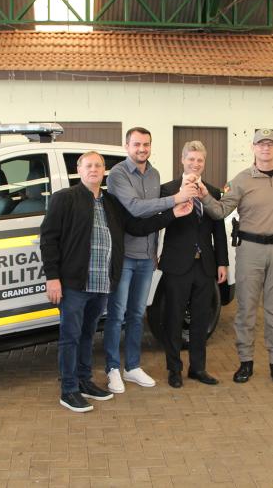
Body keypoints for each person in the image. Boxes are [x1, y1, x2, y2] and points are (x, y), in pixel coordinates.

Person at [40, 151, 192, 413]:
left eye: (98, 165)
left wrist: (172, 214)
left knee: (87, 335)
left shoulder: (110, 202)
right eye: (88, 165)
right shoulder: (64, 199)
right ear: (79, 169)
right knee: (70, 337)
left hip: (101, 284)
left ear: (104, 171)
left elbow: (137, 227)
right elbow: (49, 239)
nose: (93, 169)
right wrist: (53, 278)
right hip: (74, 284)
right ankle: (68, 389)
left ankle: (84, 380)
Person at [198, 128, 273, 385]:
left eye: (270, 144)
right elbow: (221, 210)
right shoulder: (242, 180)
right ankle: (245, 362)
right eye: (261, 144)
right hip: (250, 250)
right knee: (246, 309)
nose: (265, 149)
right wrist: (204, 196)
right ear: (253, 148)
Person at [104, 127, 198, 393]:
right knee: (117, 314)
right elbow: (134, 207)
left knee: (136, 313)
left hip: (146, 257)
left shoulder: (154, 174)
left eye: (146, 144)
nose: (141, 149)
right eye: (136, 144)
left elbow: (155, 220)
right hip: (125, 256)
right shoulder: (118, 175)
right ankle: (112, 368)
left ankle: (132, 366)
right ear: (126, 146)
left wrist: (155, 248)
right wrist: (175, 199)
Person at [158, 140, 229, 388]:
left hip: (205, 266)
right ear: (182, 160)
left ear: (204, 162)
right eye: (191, 159)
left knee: (201, 319)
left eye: (199, 160)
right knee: (174, 318)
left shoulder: (211, 191)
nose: (195, 164)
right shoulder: (167, 189)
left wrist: (222, 262)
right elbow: (159, 223)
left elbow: (218, 229)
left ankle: (198, 368)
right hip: (177, 265)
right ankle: (174, 369)